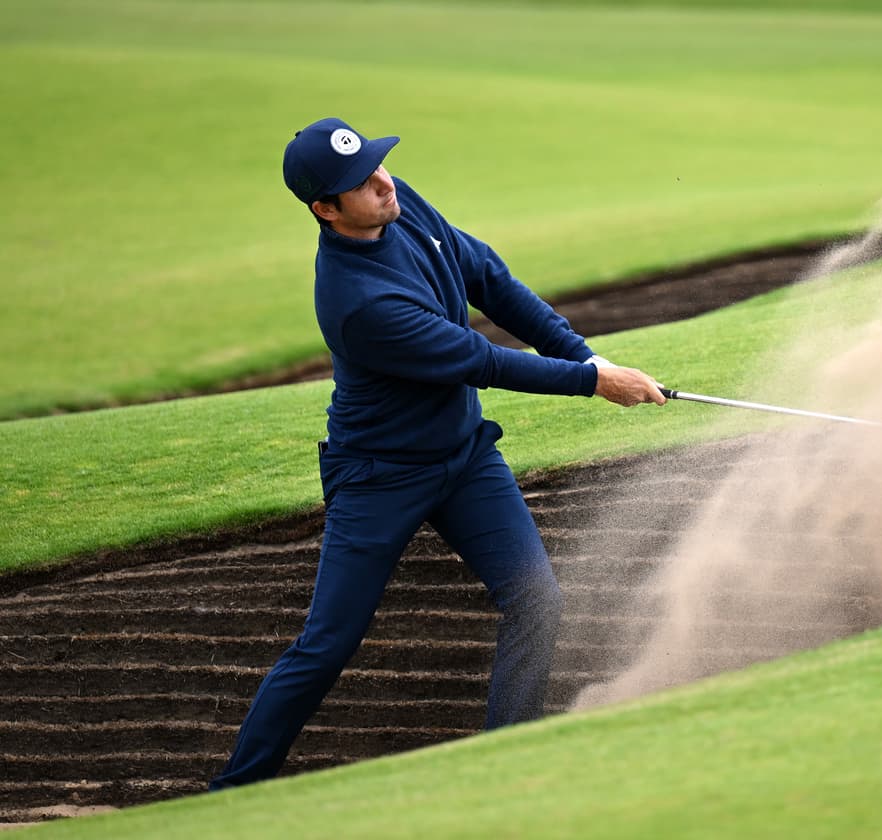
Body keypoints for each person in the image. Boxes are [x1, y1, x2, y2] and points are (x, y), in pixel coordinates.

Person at [210, 117, 666, 790]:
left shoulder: (400, 202)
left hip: (463, 456)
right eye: (358, 184)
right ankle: (233, 791)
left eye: (377, 164)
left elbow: (489, 279)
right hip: (380, 476)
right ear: (325, 209)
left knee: (537, 596)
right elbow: (480, 360)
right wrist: (596, 381)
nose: (381, 182)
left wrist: (586, 354)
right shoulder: (358, 302)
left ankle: (506, 762)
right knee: (328, 644)